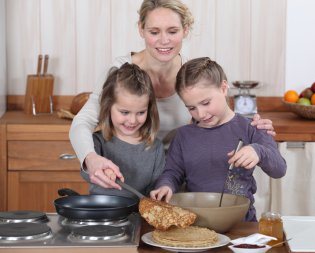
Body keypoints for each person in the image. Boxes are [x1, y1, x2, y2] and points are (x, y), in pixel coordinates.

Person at [70, 0, 276, 191]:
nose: (164, 40)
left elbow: (220, 122)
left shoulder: (192, 78)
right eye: (154, 31)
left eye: (173, 31)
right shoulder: (119, 72)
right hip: (124, 179)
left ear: (185, 30)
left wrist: (253, 129)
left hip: (177, 184)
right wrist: (91, 158)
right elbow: (83, 122)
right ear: (141, 30)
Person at [150, 57, 287, 221]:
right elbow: (172, 173)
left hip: (242, 224)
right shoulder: (183, 136)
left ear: (223, 88)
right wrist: (165, 186)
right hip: (197, 223)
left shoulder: (252, 128)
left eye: (206, 103)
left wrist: (259, 151)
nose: (201, 114)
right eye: (191, 108)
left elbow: (279, 170)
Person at [80, 62, 165, 199]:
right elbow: (86, 172)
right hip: (102, 214)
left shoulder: (156, 148)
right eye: (125, 112)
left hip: (140, 215)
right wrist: (100, 169)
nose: (132, 120)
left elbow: (156, 189)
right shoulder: (97, 142)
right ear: (108, 106)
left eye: (141, 113)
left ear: (149, 110)